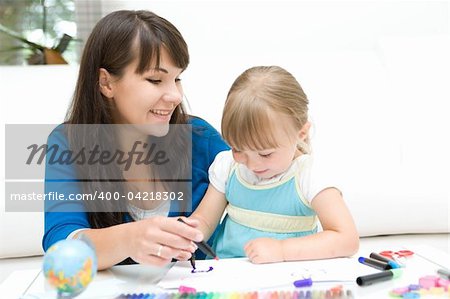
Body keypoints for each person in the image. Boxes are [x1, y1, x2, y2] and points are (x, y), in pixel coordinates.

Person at [42, 10, 229, 270]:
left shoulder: (198, 136)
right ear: (106, 82)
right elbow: (61, 246)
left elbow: (261, 174)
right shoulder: (68, 143)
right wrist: (130, 239)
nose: (175, 95)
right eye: (155, 79)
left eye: (177, 79)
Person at [190, 66, 359, 263]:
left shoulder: (309, 175)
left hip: (287, 279)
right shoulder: (228, 166)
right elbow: (205, 220)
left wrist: (282, 250)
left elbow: (347, 239)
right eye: (238, 149)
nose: (252, 164)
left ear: (301, 133)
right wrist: (188, 233)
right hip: (225, 275)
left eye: (265, 153)